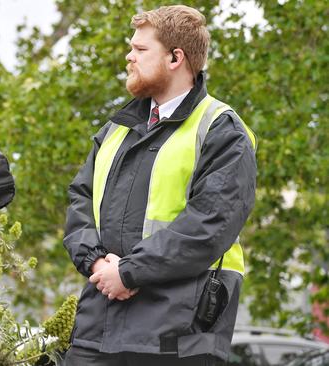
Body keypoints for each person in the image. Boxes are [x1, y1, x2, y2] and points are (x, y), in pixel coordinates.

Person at [63, 5, 257, 365]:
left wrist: (127, 272)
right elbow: (79, 200)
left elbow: (211, 223)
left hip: (178, 335)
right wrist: (96, 264)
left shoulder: (221, 129)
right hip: (98, 327)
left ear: (175, 57)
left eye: (140, 50)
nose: (129, 56)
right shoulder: (115, 129)